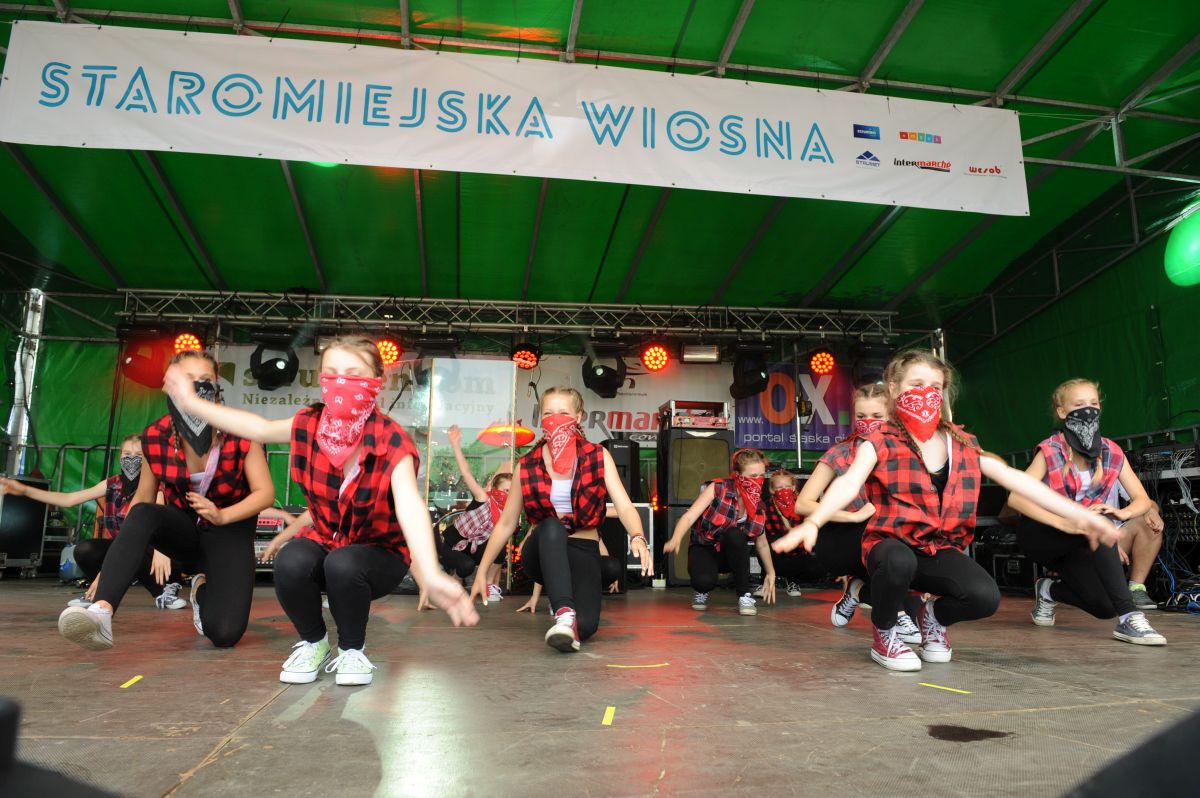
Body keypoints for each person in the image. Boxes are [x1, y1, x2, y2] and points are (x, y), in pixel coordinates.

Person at [162, 335, 478, 685]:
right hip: (329, 541)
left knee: (343, 562)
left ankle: (352, 651)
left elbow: (410, 506)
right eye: (332, 373)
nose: (341, 382)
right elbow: (259, 428)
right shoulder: (310, 423)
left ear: (377, 380)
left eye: (353, 374)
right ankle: (314, 642)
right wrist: (190, 402)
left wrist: (431, 573)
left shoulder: (391, 439)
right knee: (291, 559)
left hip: (380, 555)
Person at [774, 350, 1118, 672]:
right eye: (916, 384)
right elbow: (849, 482)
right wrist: (815, 521)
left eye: (935, 387)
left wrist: (1081, 516)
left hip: (936, 548)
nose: (926, 393)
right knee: (897, 560)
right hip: (890, 545)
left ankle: (933, 618)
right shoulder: (881, 441)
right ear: (894, 389)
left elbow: (1016, 480)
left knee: (984, 597)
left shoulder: (961, 442)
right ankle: (885, 635)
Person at [57, 351, 276, 651]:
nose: (197, 386)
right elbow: (143, 500)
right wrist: (109, 571)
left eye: (205, 380)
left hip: (229, 532)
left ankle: (200, 591)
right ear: (171, 386)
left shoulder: (240, 431)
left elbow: (265, 493)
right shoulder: (155, 436)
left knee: (225, 634)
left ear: (216, 386)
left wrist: (223, 515)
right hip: (184, 532)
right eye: (187, 379)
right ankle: (101, 612)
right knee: (144, 512)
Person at [469, 386, 650, 652]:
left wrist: (638, 536)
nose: (555, 419)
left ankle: (568, 615)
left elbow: (624, 506)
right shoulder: (527, 465)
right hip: (543, 548)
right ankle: (564, 613)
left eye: (563, 413)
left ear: (578, 417)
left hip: (582, 548)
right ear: (541, 418)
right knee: (551, 525)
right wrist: (482, 571)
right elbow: (507, 523)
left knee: (585, 628)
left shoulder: (598, 456)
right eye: (548, 413)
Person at [1010, 378, 1166, 645]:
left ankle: (1048, 590)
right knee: (1096, 521)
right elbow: (1016, 498)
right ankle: (1130, 617)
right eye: (1079, 405)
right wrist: (1065, 523)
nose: (1088, 410)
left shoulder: (1111, 451)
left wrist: (1122, 515)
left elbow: (1141, 499)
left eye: (1093, 404)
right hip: (1043, 533)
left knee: (1104, 606)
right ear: (1061, 411)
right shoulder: (1050, 450)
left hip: (1081, 538)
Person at [0, 435, 186, 610]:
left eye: (138, 455)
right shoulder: (112, 484)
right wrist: (25, 490)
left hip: (149, 552)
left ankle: (162, 592)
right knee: (85, 550)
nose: (132, 459)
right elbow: (69, 499)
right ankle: (99, 593)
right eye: (127, 454)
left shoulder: (154, 487)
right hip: (123, 549)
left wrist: (161, 552)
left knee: (138, 551)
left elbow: (158, 523)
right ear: (119, 457)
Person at [796, 384, 921, 642]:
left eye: (877, 416)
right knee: (897, 601)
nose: (868, 422)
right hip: (845, 536)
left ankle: (856, 591)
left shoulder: (908, 452)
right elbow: (803, 504)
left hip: (890, 537)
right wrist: (853, 516)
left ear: (892, 416)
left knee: (907, 597)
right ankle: (894, 614)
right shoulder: (841, 452)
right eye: (862, 416)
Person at [663, 448, 777, 616]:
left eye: (761, 476)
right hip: (705, 547)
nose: (758, 480)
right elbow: (689, 516)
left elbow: (762, 543)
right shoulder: (718, 488)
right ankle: (701, 590)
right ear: (738, 475)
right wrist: (676, 538)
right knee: (703, 582)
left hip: (730, 554)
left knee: (735, 535)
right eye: (752, 476)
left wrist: (771, 573)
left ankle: (744, 595)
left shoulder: (758, 504)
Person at [440, 424, 510, 601]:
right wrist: (455, 444)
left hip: (476, 547)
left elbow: (498, 551)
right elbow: (466, 472)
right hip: (454, 545)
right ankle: (455, 580)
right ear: (494, 490)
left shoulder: (507, 512)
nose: (508, 495)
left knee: (500, 546)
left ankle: (488, 586)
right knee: (466, 566)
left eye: (512, 491)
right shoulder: (483, 498)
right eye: (505, 490)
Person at [756, 469, 807, 599]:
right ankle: (765, 581)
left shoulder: (802, 504)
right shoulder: (766, 506)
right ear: (772, 490)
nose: (784, 490)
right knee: (765, 545)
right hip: (776, 549)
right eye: (779, 487)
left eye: (787, 486)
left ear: (793, 487)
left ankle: (793, 581)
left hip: (798, 551)